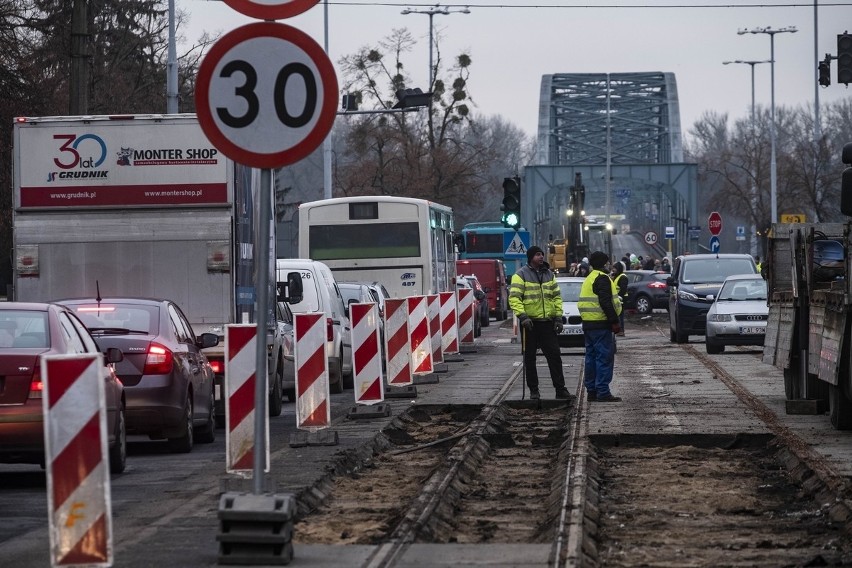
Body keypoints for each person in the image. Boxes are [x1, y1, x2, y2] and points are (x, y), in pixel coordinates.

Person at [508, 245, 570, 400]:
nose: (541, 257)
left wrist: (558, 317)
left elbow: (556, 297)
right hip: (530, 324)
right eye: (537, 254)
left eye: (542, 254)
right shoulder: (520, 275)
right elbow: (514, 298)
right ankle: (534, 391)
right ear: (530, 257)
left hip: (547, 323)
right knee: (530, 359)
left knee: (555, 356)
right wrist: (523, 317)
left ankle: (560, 389)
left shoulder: (549, 274)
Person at [579, 250, 622, 402]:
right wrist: (614, 321)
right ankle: (603, 392)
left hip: (589, 324)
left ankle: (591, 391)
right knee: (604, 357)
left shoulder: (589, 278)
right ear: (604, 264)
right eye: (608, 262)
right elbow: (605, 302)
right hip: (601, 324)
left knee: (591, 357)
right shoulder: (602, 278)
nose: (609, 265)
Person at [611, 261, 628, 335]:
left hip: (621, 299)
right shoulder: (616, 276)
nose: (613, 270)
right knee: (618, 315)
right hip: (617, 298)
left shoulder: (622, 277)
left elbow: (623, 289)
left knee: (620, 315)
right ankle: (619, 330)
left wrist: (619, 297)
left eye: (614, 268)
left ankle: (621, 331)